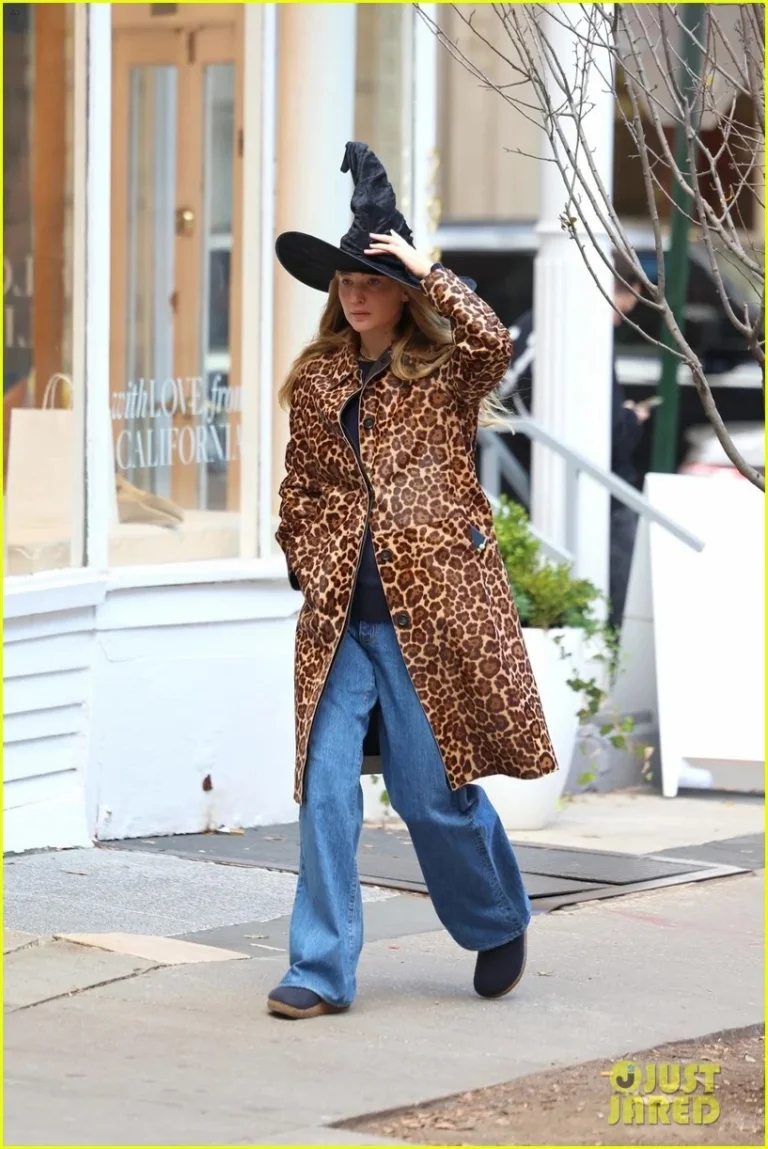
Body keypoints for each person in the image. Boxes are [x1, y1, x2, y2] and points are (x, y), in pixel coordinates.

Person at [268, 142, 558, 1021]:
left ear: (402, 292)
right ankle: (320, 967)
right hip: (337, 624)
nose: (356, 294)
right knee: (324, 792)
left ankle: (495, 917)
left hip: (427, 623)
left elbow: (493, 337)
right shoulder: (319, 378)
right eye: (347, 280)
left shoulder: (444, 376)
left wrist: (429, 267)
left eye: (374, 279)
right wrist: (308, 558)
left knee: (432, 797)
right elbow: (300, 487)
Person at [503, 254, 651, 631]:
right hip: (583, 482)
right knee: (611, 590)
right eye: (622, 309)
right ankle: (605, 642)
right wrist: (631, 420)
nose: (620, 319)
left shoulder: (537, 322)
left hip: (528, 467)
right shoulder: (582, 328)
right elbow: (609, 428)